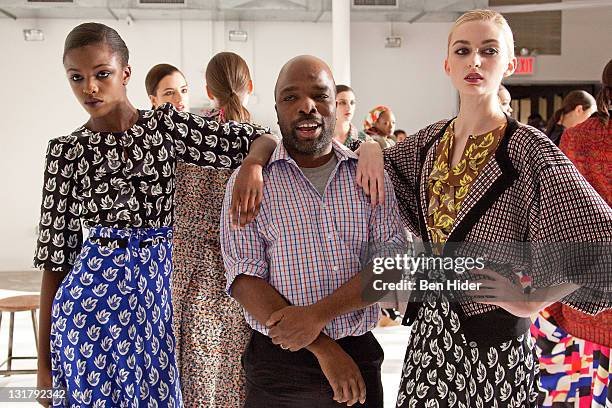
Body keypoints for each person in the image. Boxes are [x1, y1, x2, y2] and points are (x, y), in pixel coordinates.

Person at [357, 10, 612, 407]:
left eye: (488, 51)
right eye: (463, 51)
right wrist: (370, 147)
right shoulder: (427, 142)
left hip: (496, 347)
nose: (474, 61)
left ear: (509, 64)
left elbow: (603, 239)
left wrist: (534, 298)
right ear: (447, 64)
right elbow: (374, 166)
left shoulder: (531, 150)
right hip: (430, 339)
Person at [34, 23, 276, 408]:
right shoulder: (65, 152)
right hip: (85, 315)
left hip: (154, 301)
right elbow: (55, 258)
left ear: (125, 73)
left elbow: (261, 138)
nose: (89, 88)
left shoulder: (164, 127)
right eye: (76, 78)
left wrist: (251, 165)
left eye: (102, 74)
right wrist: (42, 366)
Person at [220, 55, 406, 408]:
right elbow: (244, 277)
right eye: (291, 97)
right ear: (276, 109)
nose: (307, 106)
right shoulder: (251, 183)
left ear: (335, 103)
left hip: (358, 359)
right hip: (279, 366)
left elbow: (391, 266)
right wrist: (321, 346)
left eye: (319, 95)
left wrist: (317, 316)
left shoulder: (367, 177)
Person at [161, 52, 257, 407]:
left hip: (183, 270)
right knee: (235, 373)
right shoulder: (260, 141)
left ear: (207, 89)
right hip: (239, 273)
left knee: (193, 374)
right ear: (250, 86)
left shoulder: (188, 135)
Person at [532, 58, 612, 408]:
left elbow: (559, 217)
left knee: (587, 391)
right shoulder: (579, 139)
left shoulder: (577, 138)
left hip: (586, 297)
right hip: (591, 298)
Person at [333, 84, 370, 151]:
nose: (349, 107)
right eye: (342, 102)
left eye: (352, 102)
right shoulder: (320, 138)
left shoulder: (365, 140)